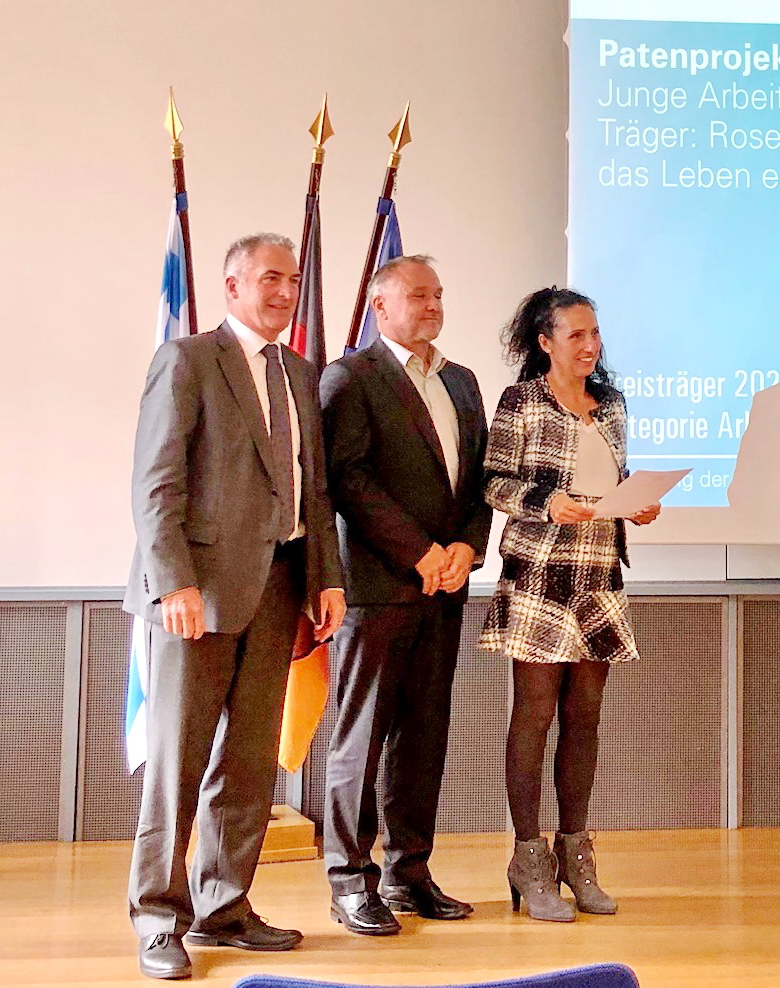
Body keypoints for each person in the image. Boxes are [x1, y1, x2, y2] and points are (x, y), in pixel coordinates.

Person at [124, 233, 346, 980]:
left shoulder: (301, 372)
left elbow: (314, 490)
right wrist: (173, 583)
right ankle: (159, 918)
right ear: (232, 286)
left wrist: (327, 579)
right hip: (197, 595)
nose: (285, 292)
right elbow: (156, 483)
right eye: (270, 278)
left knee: (249, 764)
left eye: (293, 280)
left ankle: (224, 908)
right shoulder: (187, 360)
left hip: (280, 591)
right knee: (178, 765)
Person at [320, 255, 493, 936]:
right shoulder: (351, 377)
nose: (433, 305)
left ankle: (408, 872)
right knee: (360, 739)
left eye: (439, 294)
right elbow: (348, 479)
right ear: (380, 306)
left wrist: (467, 547)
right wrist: (419, 552)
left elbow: (480, 479)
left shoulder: (461, 379)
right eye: (418, 295)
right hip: (378, 588)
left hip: (445, 588)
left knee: (423, 737)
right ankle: (349, 880)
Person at [480, 287, 662, 922]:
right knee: (534, 717)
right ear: (545, 342)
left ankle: (577, 854)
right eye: (576, 335)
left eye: (595, 333)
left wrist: (636, 503)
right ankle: (529, 860)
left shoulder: (611, 404)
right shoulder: (522, 401)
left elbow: (611, 481)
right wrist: (545, 501)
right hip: (539, 577)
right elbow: (493, 482)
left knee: (584, 718)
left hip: (599, 576)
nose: (590, 346)